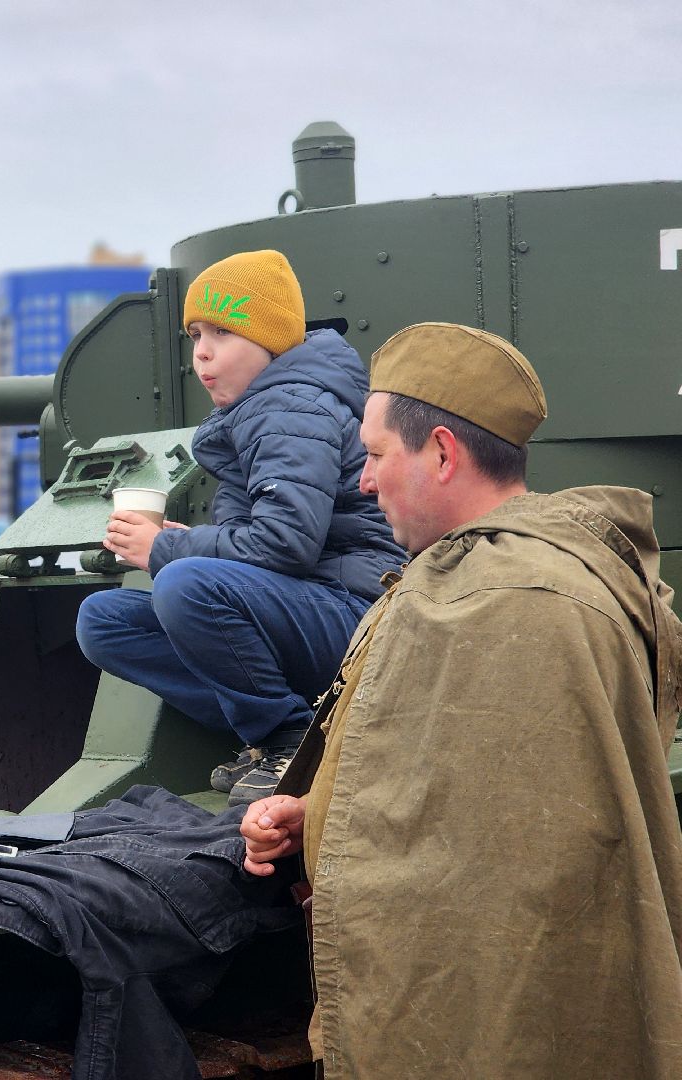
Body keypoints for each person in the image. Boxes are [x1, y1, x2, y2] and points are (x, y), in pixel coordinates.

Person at [241, 323, 682, 1077]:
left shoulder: (506, 599)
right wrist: (317, 814)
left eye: (376, 455)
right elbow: (469, 794)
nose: (364, 482)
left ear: (442, 452)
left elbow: (521, 861)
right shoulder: (491, 580)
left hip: (491, 1032)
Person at [75, 250, 404, 804]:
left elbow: (285, 544)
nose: (202, 353)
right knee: (104, 621)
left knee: (184, 584)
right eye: (195, 335)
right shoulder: (252, 414)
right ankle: (282, 728)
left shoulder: (292, 408)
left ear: (271, 341)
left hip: (357, 616)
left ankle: (288, 741)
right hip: (309, 607)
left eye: (223, 333)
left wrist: (170, 548)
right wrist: (180, 546)